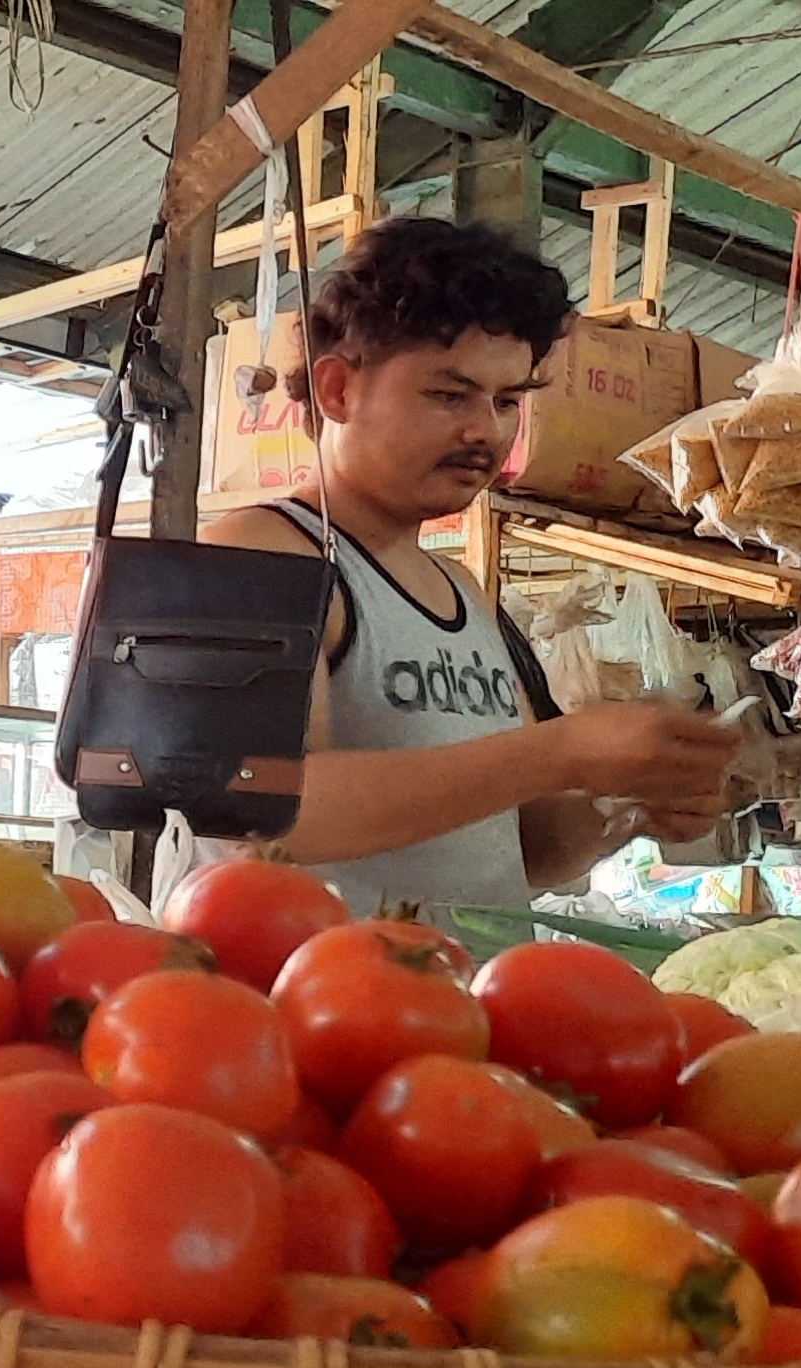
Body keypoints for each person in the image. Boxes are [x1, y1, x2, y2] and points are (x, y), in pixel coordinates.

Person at [200, 217, 738, 916]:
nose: (485, 430)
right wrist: (562, 751)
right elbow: (270, 811)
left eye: (508, 401)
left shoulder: (460, 593)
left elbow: (528, 851)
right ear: (337, 391)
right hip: (313, 1009)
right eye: (449, 395)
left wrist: (631, 805)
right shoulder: (258, 555)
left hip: (456, 1011)